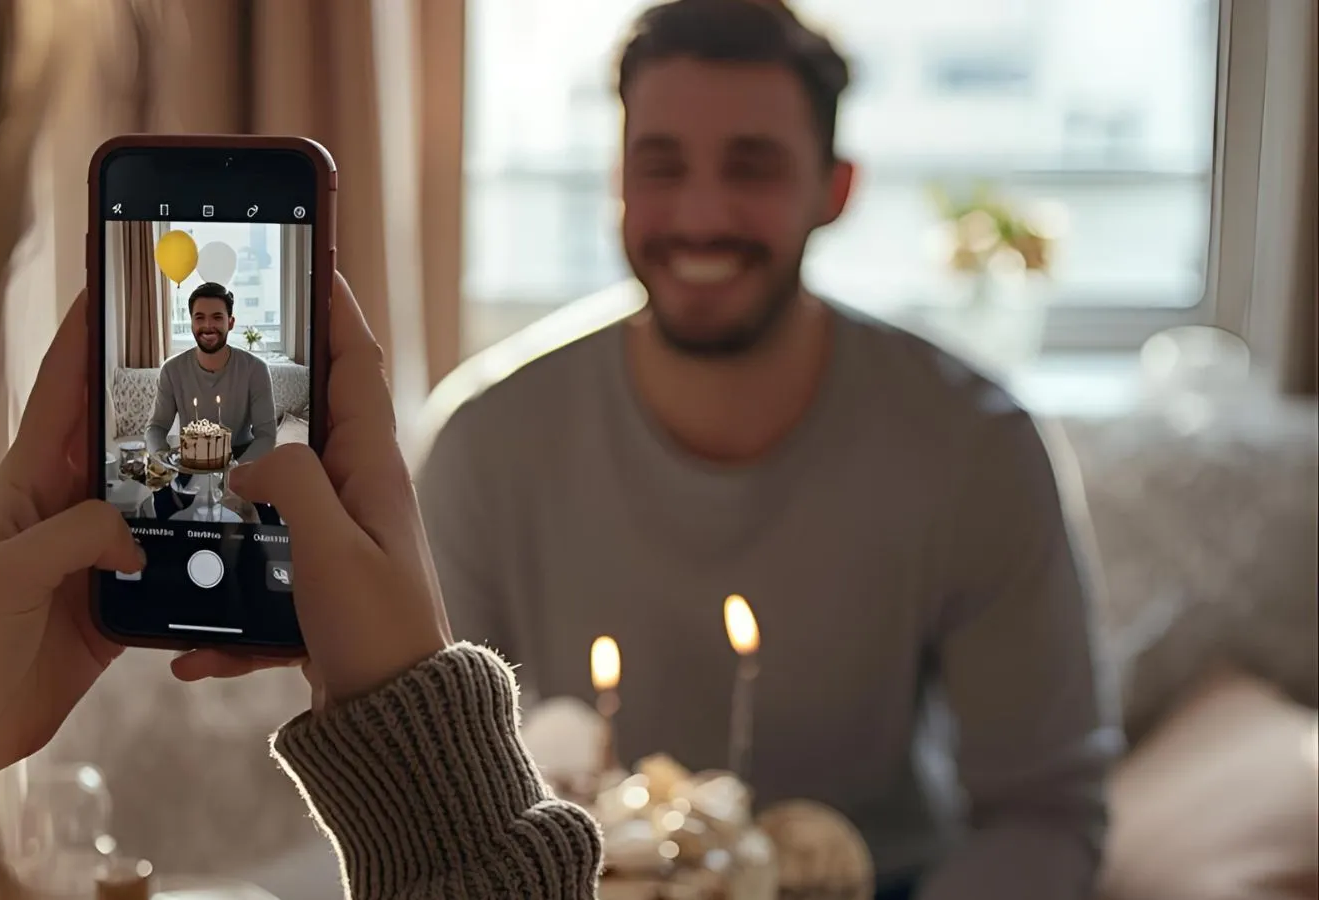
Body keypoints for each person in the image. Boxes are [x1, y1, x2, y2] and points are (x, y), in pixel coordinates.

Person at [0, 2, 599, 899]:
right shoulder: (177, 370)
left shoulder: (258, 373)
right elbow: (154, 442)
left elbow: (263, 438)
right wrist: (444, 805)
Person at [415, 1, 1120, 898]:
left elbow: (1046, 812)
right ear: (616, 181)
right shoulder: (484, 442)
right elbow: (443, 811)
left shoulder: (976, 445)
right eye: (660, 165)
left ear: (836, 190)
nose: (701, 214)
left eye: (752, 167)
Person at [145, 281, 279, 465]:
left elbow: (266, 435)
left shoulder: (255, 369)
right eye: (199, 317)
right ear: (191, 322)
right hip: (190, 460)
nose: (208, 325)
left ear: (230, 323)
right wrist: (162, 458)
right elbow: (156, 427)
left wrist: (236, 472)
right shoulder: (172, 370)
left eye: (217, 317)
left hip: (241, 460)